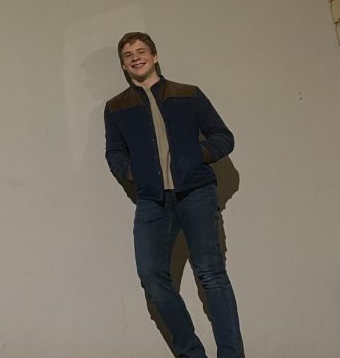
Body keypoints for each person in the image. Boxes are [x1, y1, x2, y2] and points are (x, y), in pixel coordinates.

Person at [104, 31, 243, 358]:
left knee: (211, 275)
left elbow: (223, 137)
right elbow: (114, 152)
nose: (135, 57)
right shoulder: (116, 107)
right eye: (128, 54)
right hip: (152, 200)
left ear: (154, 56)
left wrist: (199, 155)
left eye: (141, 51)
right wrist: (131, 172)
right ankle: (192, 354)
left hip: (196, 193)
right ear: (124, 65)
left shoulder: (188, 94)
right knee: (151, 276)